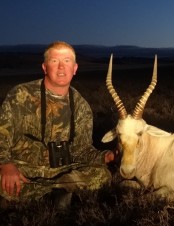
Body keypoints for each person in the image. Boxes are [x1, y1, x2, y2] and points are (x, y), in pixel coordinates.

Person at [0, 41, 114, 208]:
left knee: (103, 175)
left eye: (67, 61)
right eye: (54, 61)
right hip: (23, 167)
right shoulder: (21, 94)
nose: (61, 67)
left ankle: (39, 194)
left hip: (61, 171)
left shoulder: (81, 106)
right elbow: (2, 134)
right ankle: (57, 194)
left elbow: (81, 149)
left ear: (75, 68)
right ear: (45, 67)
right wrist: (6, 165)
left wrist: (105, 156)